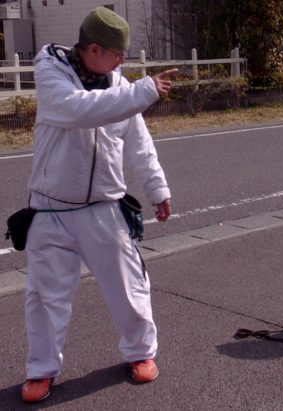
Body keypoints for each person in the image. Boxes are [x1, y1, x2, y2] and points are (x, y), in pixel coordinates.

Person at [21, 7, 177, 403]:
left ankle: (141, 352)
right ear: (93, 49)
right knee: (45, 296)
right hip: (51, 209)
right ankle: (41, 370)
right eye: (117, 54)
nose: (122, 62)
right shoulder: (52, 73)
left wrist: (157, 188)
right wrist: (143, 91)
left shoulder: (119, 86)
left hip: (105, 206)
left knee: (128, 286)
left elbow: (138, 142)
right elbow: (77, 109)